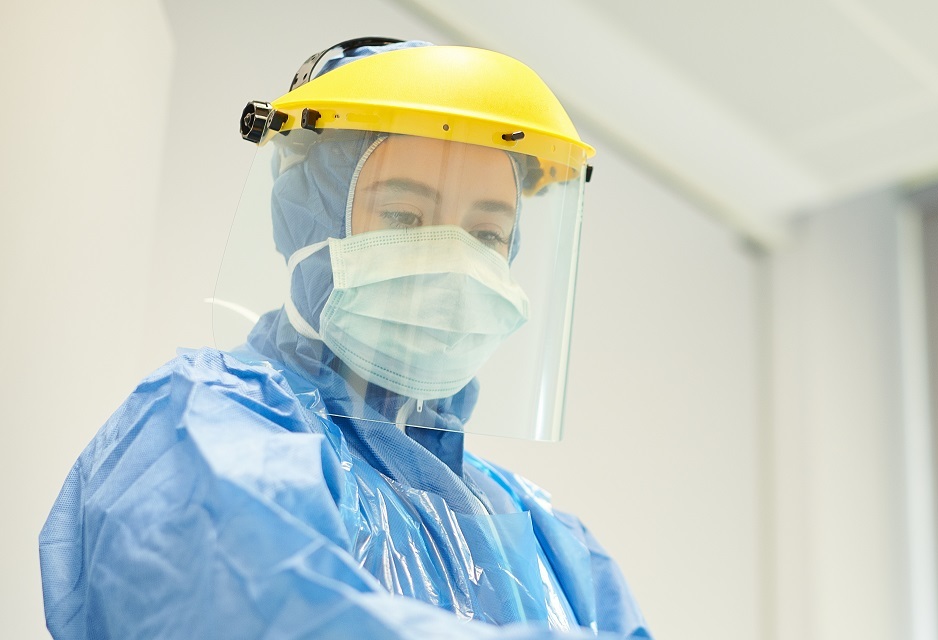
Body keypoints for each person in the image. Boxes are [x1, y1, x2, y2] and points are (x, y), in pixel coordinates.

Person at [39, 38, 652, 639]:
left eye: (487, 235)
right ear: (309, 218)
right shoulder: (205, 429)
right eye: (405, 218)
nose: (454, 263)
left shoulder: (548, 543)